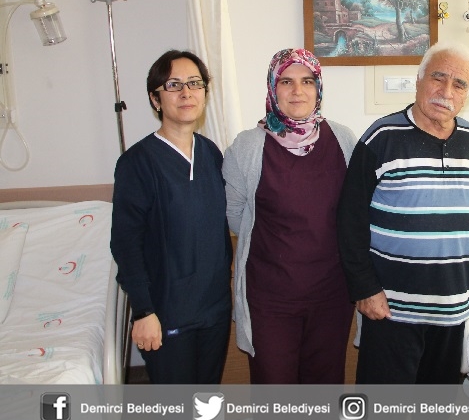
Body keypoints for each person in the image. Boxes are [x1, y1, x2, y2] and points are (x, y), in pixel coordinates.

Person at [337, 41, 469, 385]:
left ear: (467, 94)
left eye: (459, 84)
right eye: (438, 77)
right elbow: (350, 221)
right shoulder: (381, 137)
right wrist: (365, 288)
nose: (446, 91)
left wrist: (458, 278)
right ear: (419, 80)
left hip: (451, 311)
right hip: (391, 310)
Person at [222, 48, 356, 384]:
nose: (298, 91)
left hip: (331, 294)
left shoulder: (344, 140)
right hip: (270, 298)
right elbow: (235, 215)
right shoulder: (247, 147)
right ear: (272, 87)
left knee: (324, 387)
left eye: (307, 81)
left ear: (318, 88)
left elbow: (355, 212)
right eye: (286, 81)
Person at [110, 49, 232, 384]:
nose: (186, 92)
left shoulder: (210, 153)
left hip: (214, 309)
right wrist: (143, 311)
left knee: (206, 402)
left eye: (195, 83)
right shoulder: (137, 163)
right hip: (166, 312)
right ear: (155, 99)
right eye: (173, 85)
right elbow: (125, 244)